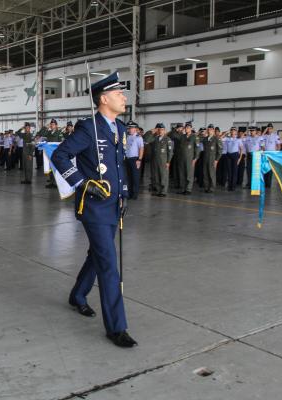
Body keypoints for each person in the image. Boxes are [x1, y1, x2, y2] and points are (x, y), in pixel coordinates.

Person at [51, 72, 136, 348]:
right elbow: (60, 155)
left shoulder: (120, 129)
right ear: (104, 98)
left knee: (98, 255)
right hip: (94, 207)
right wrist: (82, 183)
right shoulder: (89, 128)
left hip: (113, 204)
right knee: (109, 263)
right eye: (119, 93)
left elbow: (119, 165)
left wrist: (123, 195)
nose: (124, 97)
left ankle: (78, 295)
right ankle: (117, 327)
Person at [173, 121, 199, 195]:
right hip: (181, 158)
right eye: (186, 128)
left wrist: (195, 158)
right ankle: (182, 188)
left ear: (191, 128)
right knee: (182, 174)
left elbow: (197, 149)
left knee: (189, 174)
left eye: (188, 127)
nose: (186, 129)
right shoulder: (182, 136)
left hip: (190, 158)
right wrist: (177, 130)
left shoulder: (194, 137)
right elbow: (173, 135)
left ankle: (188, 189)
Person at [152, 123, 173, 197]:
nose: (160, 131)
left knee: (163, 176)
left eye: (162, 130)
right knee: (157, 176)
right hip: (156, 161)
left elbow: (170, 152)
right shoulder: (156, 139)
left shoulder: (168, 140)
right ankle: (158, 190)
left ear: (164, 131)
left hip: (164, 161)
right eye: (159, 130)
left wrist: (168, 162)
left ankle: (163, 191)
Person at [124, 120, 144, 199]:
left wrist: (139, 159)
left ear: (135, 129)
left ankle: (135, 194)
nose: (129, 129)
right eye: (128, 128)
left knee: (135, 177)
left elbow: (141, 149)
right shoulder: (127, 137)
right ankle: (129, 193)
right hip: (127, 159)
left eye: (131, 128)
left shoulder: (138, 138)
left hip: (135, 159)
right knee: (128, 177)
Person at [202, 124, 222, 193]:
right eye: (208, 129)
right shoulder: (205, 139)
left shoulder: (216, 138)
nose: (209, 130)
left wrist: (216, 160)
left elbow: (220, 150)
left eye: (211, 129)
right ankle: (206, 187)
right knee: (205, 173)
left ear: (213, 130)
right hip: (205, 158)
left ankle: (212, 188)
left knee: (211, 174)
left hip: (212, 159)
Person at [261, 123, 281, 188]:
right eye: (268, 129)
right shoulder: (264, 136)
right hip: (265, 154)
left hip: (272, 155)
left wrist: (276, 154)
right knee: (264, 168)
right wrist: (263, 151)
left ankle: (268, 184)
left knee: (270, 169)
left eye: (270, 129)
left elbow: (278, 145)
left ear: (272, 129)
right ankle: (264, 183)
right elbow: (261, 142)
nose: (269, 130)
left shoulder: (276, 136)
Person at [224, 127, 243, 191]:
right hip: (228, 155)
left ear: (236, 132)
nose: (232, 132)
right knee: (229, 171)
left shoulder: (238, 139)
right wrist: (227, 132)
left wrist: (240, 158)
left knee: (234, 171)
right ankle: (229, 186)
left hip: (235, 155)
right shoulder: (227, 139)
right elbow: (220, 138)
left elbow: (241, 149)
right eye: (231, 130)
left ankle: (233, 186)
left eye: (234, 130)